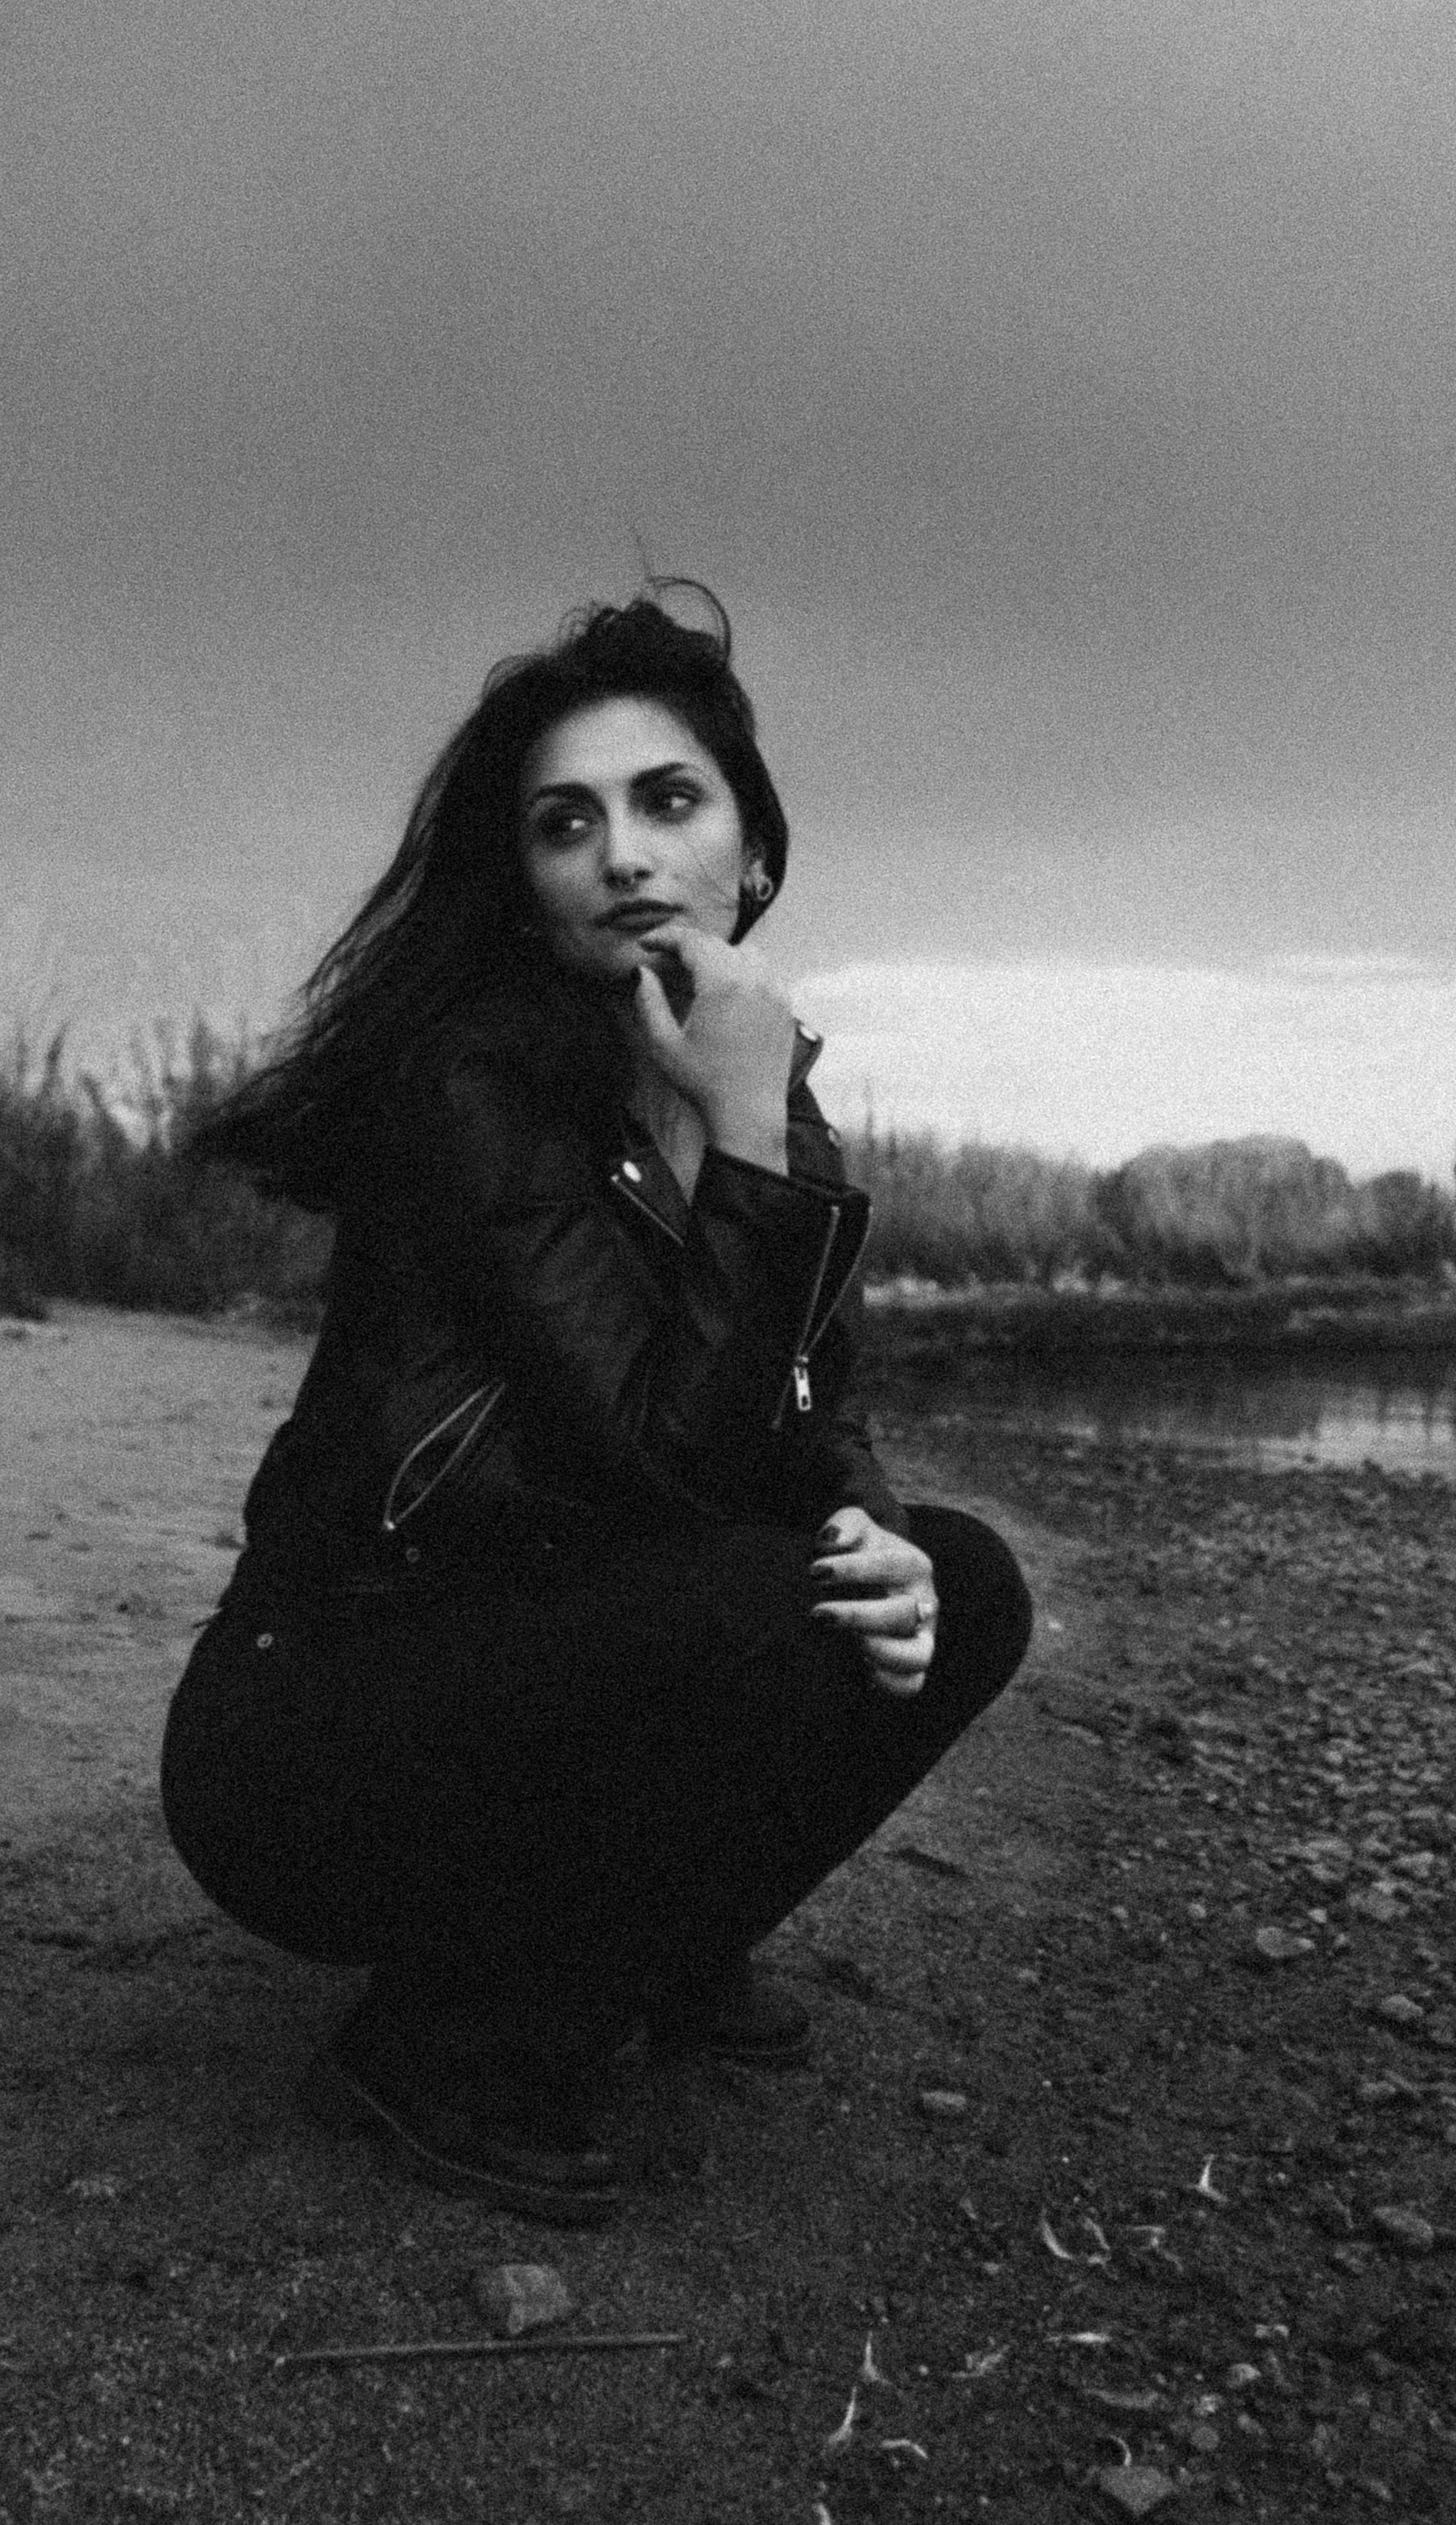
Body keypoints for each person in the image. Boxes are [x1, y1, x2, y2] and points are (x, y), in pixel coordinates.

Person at [160, 584, 1033, 2225]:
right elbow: (665, 1455)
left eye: (668, 802)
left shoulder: (758, 1095)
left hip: (545, 1659)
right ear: (530, 882)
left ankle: (645, 1950)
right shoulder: (475, 1086)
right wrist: (751, 1145)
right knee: (761, 1593)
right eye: (569, 825)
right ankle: (437, 2043)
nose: (623, 855)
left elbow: (802, 1408)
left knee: (959, 1589)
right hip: (318, 1734)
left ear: (750, 853)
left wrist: (889, 1537)